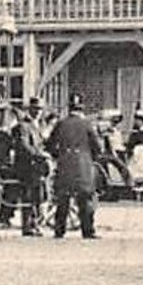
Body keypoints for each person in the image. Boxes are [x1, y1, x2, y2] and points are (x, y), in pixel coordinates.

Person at [48, 94, 104, 239]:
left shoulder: (61, 123)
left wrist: (58, 156)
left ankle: (59, 230)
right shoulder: (86, 124)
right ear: (81, 109)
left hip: (65, 165)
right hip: (83, 165)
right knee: (85, 200)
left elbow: (50, 145)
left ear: (69, 108)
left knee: (63, 199)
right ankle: (88, 231)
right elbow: (97, 147)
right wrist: (92, 157)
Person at [0, 99, 49, 233]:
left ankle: (33, 224)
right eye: (35, 109)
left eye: (40, 109)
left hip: (34, 165)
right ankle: (28, 226)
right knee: (29, 196)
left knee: (35, 196)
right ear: (29, 110)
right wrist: (39, 155)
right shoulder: (22, 126)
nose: (37, 112)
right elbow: (23, 146)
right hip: (25, 166)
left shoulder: (37, 126)